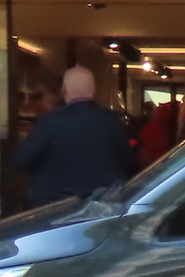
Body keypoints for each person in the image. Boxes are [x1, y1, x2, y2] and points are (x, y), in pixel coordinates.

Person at [12, 65, 134, 208]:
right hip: (100, 208)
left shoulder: (50, 123)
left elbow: (21, 160)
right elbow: (127, 162)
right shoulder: (112, 123)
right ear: (94, 90)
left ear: (64, 91)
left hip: (55, 209)